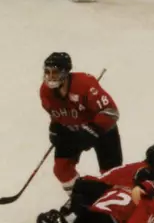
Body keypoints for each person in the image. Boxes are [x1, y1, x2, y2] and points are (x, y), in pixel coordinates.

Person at [40, 51, 120, 189]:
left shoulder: (85, 84)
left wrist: (92, 130)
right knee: (61, 169)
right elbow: (55, 113)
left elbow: (111, 112)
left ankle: (111, 201)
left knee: (112, 174)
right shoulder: (45, 91)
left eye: (55, 72)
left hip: (102, 130)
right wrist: (55, 128)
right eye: (47, 72)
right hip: (72, 130)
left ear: (65, 72)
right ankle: (77, 195)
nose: (50, 77)